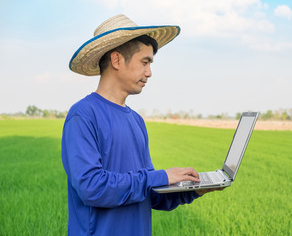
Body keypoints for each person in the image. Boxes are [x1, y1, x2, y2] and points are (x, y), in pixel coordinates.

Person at [61, 14, 220, 236]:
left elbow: (149, 192)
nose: (149, 72)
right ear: (116, 60)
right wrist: (162, 176)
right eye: (144, 62)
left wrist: (194, 189)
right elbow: (92, 188)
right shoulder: (83, 115)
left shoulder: (136, 121)